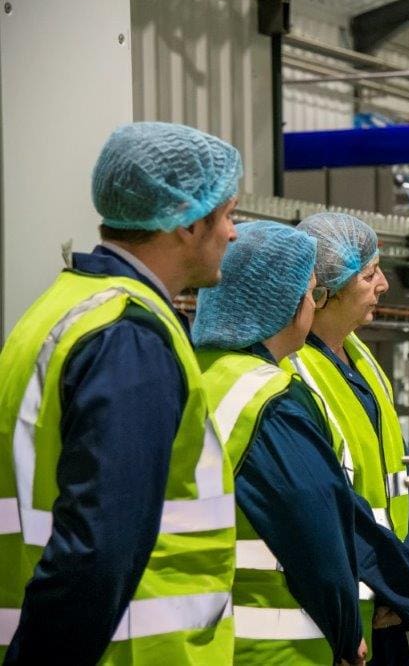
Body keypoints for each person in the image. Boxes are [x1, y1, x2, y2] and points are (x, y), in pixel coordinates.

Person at [0, 122, 240, 663]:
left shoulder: (62, 306)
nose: (233, 233)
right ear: (187, 221)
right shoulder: (130, 336)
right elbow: (98, 548)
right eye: (228, 215)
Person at [193, 220, 409, 665]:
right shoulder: (271, 395)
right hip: (282, 642)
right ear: (286, 302)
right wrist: (347, 626)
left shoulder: (196, 370)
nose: (312, 306)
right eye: (310, 293)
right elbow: (316, 524)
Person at [291, 212, 409, 665]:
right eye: (369, 275)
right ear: (323, 292)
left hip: (390, 603)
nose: (384, 284)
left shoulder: (361, 355)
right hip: (344, 616)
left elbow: (396, 481)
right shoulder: (296, 372)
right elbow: (329, 504)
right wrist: (398, 580)